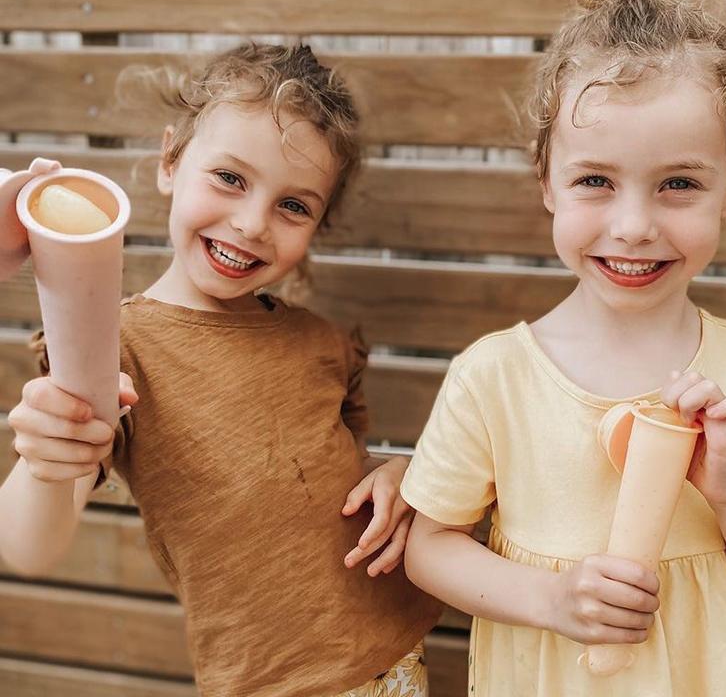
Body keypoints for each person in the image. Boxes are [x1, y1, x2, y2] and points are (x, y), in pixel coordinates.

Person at [400, 0, 726, 697]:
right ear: (545, 178)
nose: (634, 226)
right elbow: (429, 546)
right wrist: (550, 598)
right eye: (595, 181)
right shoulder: (494, 375)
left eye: (678, 183)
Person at [0, 42, 440, 697]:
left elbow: (342, 475)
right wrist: (44, 461)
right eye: (230, 178)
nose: (252, 223)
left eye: (294, 206)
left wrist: (400, 475)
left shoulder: (321, 343)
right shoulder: (115, 347)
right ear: (170, 160)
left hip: (400, 656)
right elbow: (29, 545)